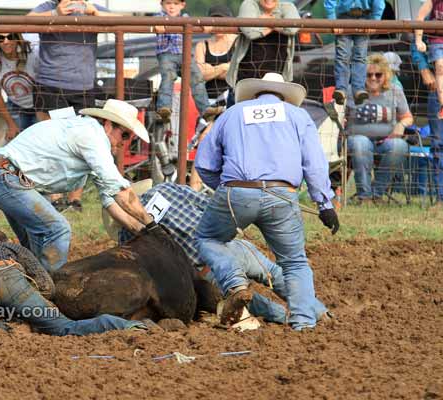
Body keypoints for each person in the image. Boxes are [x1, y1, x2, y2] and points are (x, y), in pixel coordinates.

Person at [193, 72, 339, 331]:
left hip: (235, 191)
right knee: (294, 261)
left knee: (208, 239)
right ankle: (304, 322)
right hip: (282, 195)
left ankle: (235, 282)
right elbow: (314, 163)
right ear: (284, 95)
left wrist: (226, 191)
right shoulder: (298, 116)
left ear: (254, 93)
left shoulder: (232, 114)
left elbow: (204, 164)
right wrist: (324, 203)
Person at [105, 181, 330, 326]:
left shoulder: (129, 239)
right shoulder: (165, 190)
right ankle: (318, 312)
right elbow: (209, 205)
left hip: (205, 273)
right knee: (274, 273)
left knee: (252, 302)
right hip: (226, 245)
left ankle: (287, 318)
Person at [0, 99, 156, 273]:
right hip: (7, 180)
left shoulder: (93, 141)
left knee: (36, 250)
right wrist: (151, 224)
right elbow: (122, 192)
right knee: (58, 229)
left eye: (129, 139)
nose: (123, 143)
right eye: (124, 135)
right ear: (109, 125)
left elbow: (110, 200)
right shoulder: (91, 137)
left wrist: (142, 230)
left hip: (8, 179)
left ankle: (33, 287)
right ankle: (52, 290)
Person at [0, 229, 148, 335]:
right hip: (15, 282)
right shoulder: (14, 248)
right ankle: (128, 327)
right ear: (4, 241)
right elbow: (47, 287)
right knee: (66, 328)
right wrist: (25, 304)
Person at [27, 0, 118, 212]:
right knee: (51, 143)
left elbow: (121, 21)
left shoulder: (90, 8)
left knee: (84, 143)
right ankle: (55, 198)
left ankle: (75, 200)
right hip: (50, 84)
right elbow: (27, 21)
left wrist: (94, 12)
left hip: (83, 86)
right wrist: (55, 13)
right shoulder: (47, 7)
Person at [346, 54, 413, 203]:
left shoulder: (395, 91)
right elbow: (337, 116)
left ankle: (376, 193)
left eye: (378, 74)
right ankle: (365, 196)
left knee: (399, 146)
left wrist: (401, 125)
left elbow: (408, 116)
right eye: (369, 75)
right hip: (357, 139)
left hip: (386, 140)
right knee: (360, 143)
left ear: (386, 75)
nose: (373, 78)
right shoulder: (352, 91)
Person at [189, 4, 237, 191]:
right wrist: (224, 67)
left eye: (221, 20)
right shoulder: (202, 45)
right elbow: (200, 74)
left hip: (230, 101)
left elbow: (235, 71)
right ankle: (194, 189)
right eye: (213, 21)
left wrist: (213, 69)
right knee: (205, 136)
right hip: (208, 104)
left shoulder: (237, 41)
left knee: (213, 136)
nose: (217, 25)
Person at [225, 0, 300, 108]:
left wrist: (266, 22)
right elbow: (250, 32)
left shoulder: (288, 6)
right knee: (236, 115)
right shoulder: (249, 4)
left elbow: (292, 28)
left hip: (277, 81)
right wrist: (279, 24)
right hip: (245, 80)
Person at [154, 0, 218, 122]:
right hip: (167, 53)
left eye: (176, 4)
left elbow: (198, 24)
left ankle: (205, 109)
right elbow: (156, 25)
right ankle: (164, 107)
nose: (172, 7)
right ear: (162, 4)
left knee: (196, 77)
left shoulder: (185, 17)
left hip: (185, 54)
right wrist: (159, 25)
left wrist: (203, 25)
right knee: (168, 76)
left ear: (182, 5)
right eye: (168, 3)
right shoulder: (160, 16)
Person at [324, 0, 385, 106]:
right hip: (344, 18)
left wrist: (374, 20)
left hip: (364, 18)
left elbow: (378, 3)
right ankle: (341, 90)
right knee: (346, 55)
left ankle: (358, 90)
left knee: (357, 56)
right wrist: (332, 20)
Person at [0, 32, 39, 141]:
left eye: (10, 37)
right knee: (15, 142)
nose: (5, 42)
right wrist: (11, 125)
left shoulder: (33, 55)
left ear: (17, 38)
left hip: (40, 105)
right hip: (16, 106)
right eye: (0, 38)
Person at [412, 41, 443, 205]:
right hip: (439, 90)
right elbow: (416, 41)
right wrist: (424, 68)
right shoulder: (433, 15)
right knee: (440, 145)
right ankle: (441, 198)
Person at [416, 0, 443, 119]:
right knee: (440, 68)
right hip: (437, 43)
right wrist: (418, 40)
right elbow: (419, 18)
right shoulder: (433, 2)